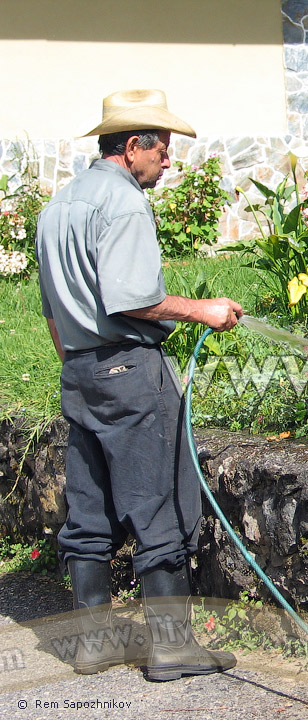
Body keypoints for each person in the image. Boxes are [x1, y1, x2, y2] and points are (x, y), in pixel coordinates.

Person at [35, 89, 243, 681]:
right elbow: (132, 299)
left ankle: (93, 644)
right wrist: (201, 309)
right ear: (134, 148)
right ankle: (173, 647)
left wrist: (83, 364)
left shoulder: (57, 206)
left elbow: (51, 309)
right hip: (130, 373)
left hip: (77, 373)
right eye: (164, 150)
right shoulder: (124, 204)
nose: (169, 162)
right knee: (161, 507)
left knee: (89, 510)